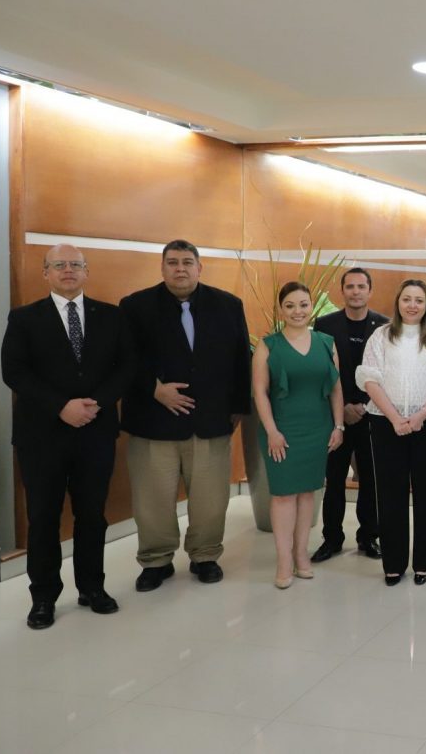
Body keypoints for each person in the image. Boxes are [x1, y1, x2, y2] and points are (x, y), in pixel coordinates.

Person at [1, 244, 132, 629]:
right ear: (46, 273)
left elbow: (127, 366)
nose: (68, 270)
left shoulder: (111, 315)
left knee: (92, 514)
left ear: (86, 271)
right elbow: (15, 372)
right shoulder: (24, 318)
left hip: (95, 431)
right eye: (59, 264)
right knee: (43, 517)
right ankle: (43, 597)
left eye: (75, 264)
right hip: (41, 436)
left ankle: (92, 587)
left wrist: (96, 404)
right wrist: (61, 406)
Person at [119, 240, 251, 591]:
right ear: (162, 268)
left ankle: (205, 556)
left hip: (211, 422)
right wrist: (155, 389)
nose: (180, 269)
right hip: (153, 422)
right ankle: (156, 561)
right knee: (153, 500)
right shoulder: (135, 306)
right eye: (173, 262)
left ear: (199, 267)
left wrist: (238, 407)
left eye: (187, 262)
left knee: (211, 499)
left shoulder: (228, 305)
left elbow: (242, 358)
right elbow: (123, 358)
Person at [358, 279, 426, 585]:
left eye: (419, 300)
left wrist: (421, 415)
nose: (412, 305)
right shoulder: (380, 336)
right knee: (389, 493)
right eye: (407, 299)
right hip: (386, 422)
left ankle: (425, 562)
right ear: (398, 302)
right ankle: (393, 563)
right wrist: (394, 417)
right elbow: (370, 380)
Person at [252, 282, 345, 588]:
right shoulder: (268, 346)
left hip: (318, 429)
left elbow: (336, 388)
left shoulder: (326, 343)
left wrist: (338, 426)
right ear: (281, 309)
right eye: (290, 305)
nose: (297, 311)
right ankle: (283, 561)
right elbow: (260, 393)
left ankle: (301, 554)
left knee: (307, 493)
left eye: (303, 304)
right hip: (281, 431)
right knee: (283, 494)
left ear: (312, 307)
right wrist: (272, 431)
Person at [311, 267, 388, 563]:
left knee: (371, 480)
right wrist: (341, 407)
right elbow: (322, 370)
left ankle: (369, 537)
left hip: (373, 414)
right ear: (342, 291)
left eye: (361, 286)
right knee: (334, 479)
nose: (356, 291)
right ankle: (332, 539)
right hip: (336, 416)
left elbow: (387, 372)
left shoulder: (384, 326)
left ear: (370, 291)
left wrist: (365, 404)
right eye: (350, 286)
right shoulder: (325, 324)